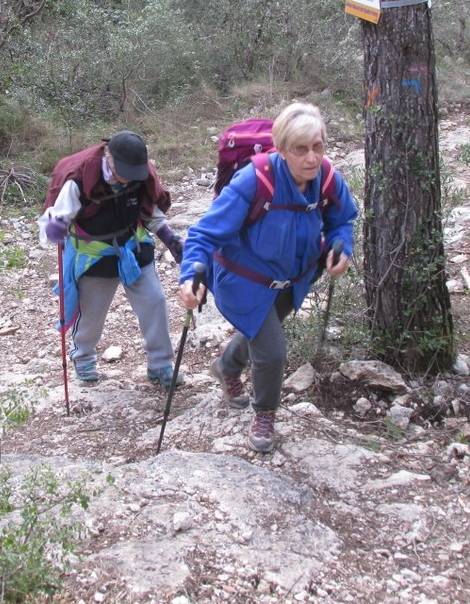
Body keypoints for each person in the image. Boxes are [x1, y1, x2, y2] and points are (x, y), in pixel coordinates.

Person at [177, 103, 359, 452]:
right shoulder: (254, 179)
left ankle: (227, 367)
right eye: (300, 149)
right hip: (244, 282)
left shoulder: (328, 178)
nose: (311, 157)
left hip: (294, 280)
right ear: (282, 148)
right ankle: (265, 414)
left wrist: (340, 245)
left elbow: (342, 219)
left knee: (262, 330)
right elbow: (203, 234)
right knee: (272, 351)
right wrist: (191, 275)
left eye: (318, 146)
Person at [38, 130, 185, 387]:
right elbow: (56, 217)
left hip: (132, 244)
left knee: (155, 301)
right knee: (92, 313)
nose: (127, 179)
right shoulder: (80, 180)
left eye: (133, 173)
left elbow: (149, 211)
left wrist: (170, 238)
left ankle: (161, 365)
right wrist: (54, 229)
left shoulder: (140, 174)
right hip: (95, 253)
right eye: (123, 171)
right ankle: (83, 358)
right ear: (108, 156)